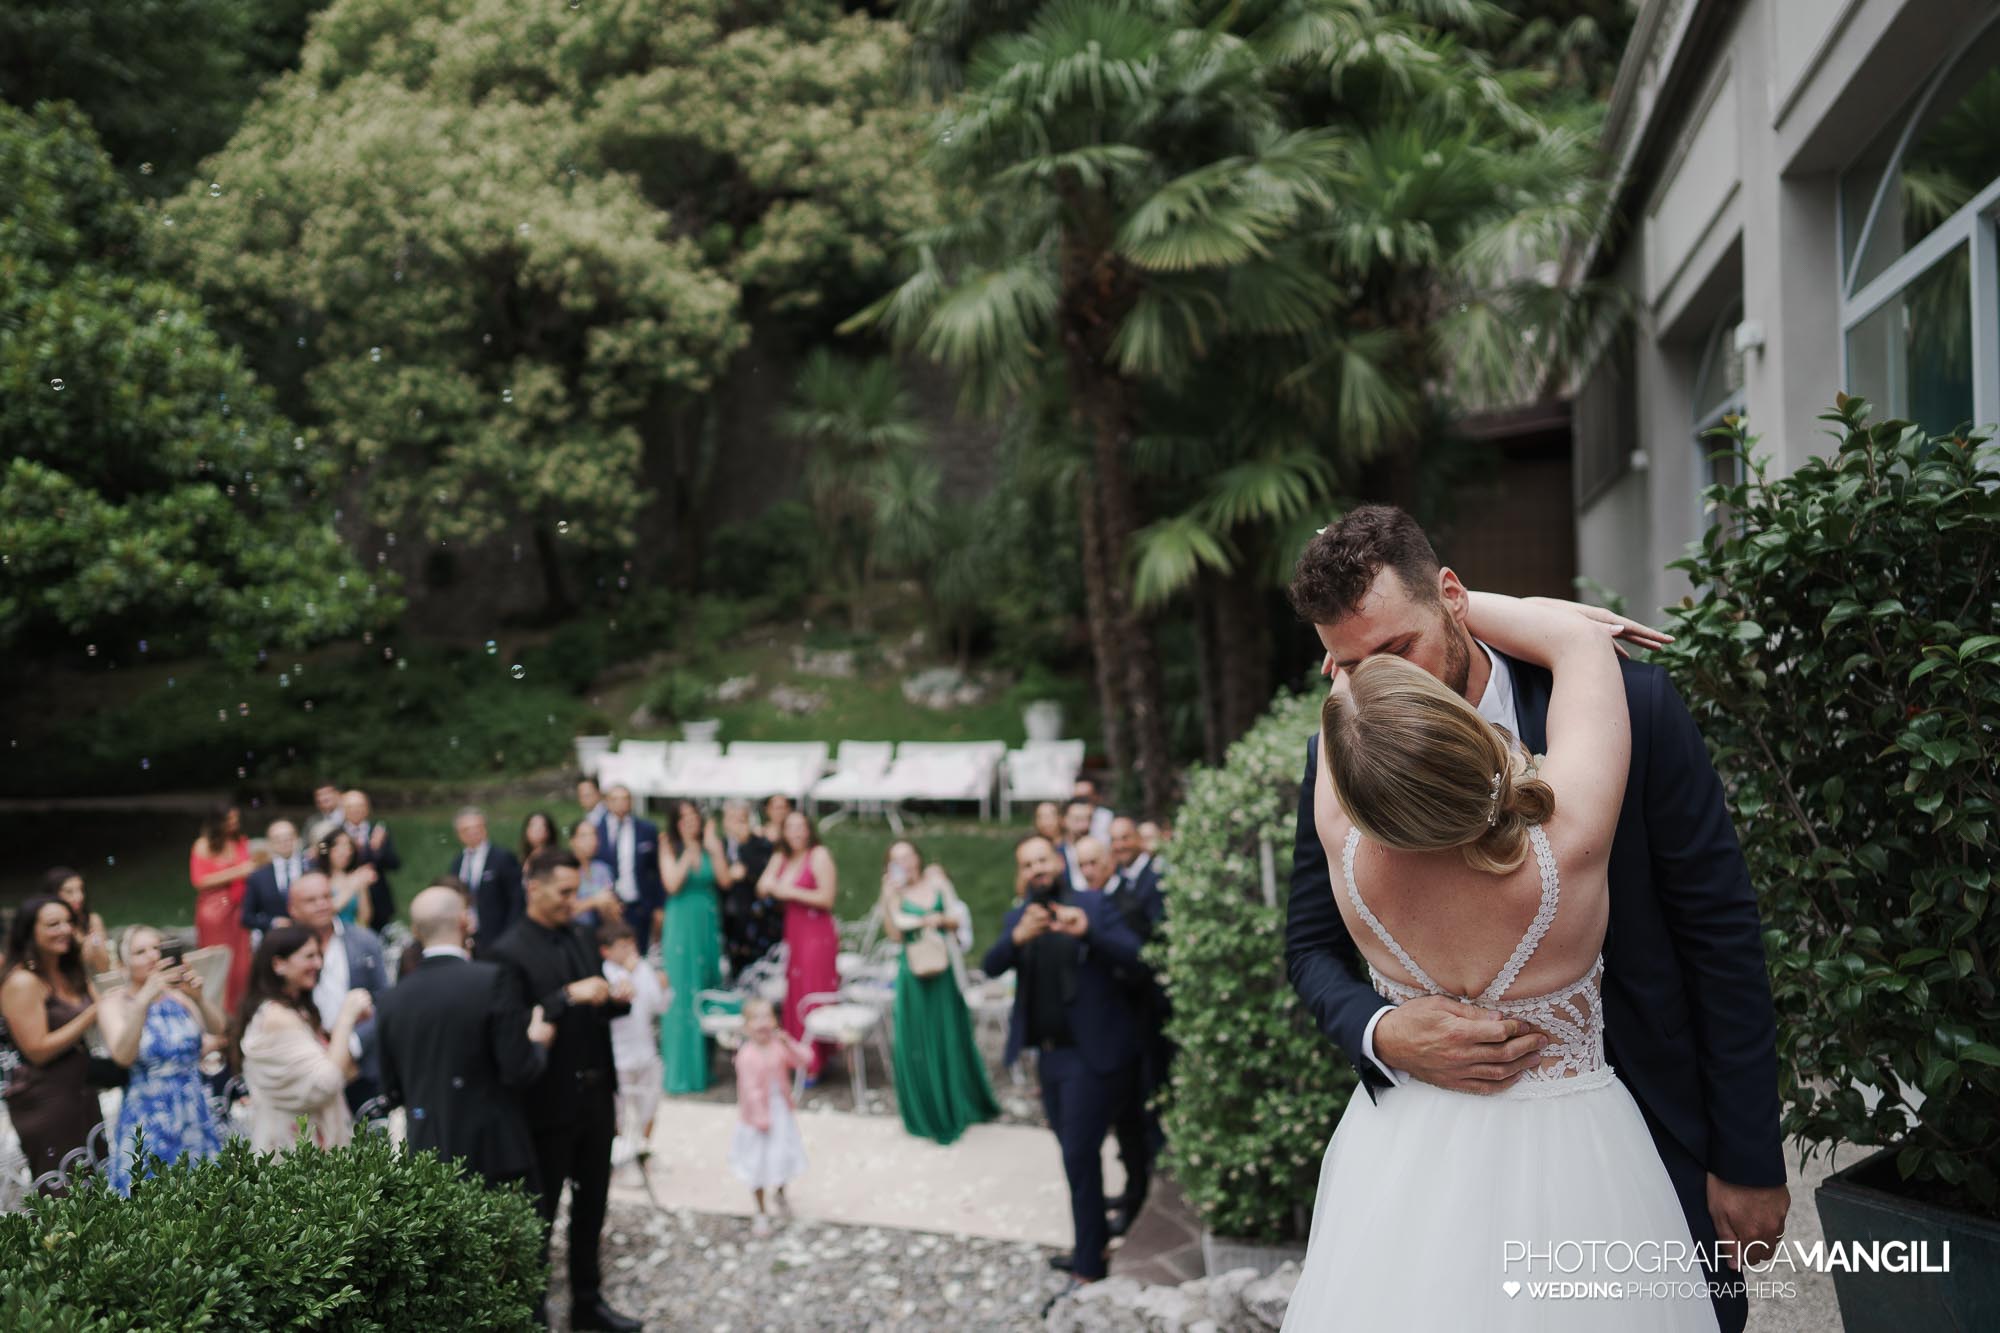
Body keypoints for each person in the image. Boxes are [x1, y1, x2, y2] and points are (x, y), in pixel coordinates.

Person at [1282, 506, 1785, 1333]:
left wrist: (1748, 1158)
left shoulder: (1641, 709)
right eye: (1352, 663)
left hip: (1648, 1139)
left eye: (1397, 650)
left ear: (1450, 598)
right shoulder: (1343, 757)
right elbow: (1307, 947)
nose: (1383, 686)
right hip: (1426, 1172)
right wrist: (1381, 1031)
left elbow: (1720, 931)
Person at [982, 836, 1146, 1291]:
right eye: (1027, 863)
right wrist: (1016, 938)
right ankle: (1089, 1248)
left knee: (1078, 1155)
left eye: (1042, 860)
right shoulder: (1020, 918)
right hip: (1047, 1059)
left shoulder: (1092, 905)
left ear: (1058, 862)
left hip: (1089, 1057)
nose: (1037, 869)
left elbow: (1139, 959)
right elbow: (990, 965)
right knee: (1075, 1158)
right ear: (1022, 873)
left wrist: (1087, 933)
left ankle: (1089, 1265)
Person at [488, 850, 643, 1333]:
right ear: (533, 887)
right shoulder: (507, 952)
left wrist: (612, 1000)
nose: (572, 902)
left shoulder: (578, 934)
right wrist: (565, 997)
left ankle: (587, 1302)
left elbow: (591, 1011)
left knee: (593, 1204)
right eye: (564, 893)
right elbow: (513, 1029)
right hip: (548, 1103)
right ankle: (532, 1312)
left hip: (595, 1095)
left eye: (576, 891)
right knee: (542, 1213)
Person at [375, 886, 553, 1190]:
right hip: (494, 1152)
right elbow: (518, 1069)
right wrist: (538, 1042)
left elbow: (392, 1089)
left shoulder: (392, 999)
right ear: (465, 922)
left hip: (428, 1151)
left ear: (416, 931)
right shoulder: (493, 980)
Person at [1072, 834, 1166, 1235]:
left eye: (1095, 862)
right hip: (1108, 1028)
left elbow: (1144, 963)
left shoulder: (1126, 903)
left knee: (1134, 1120)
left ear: (1110, 861)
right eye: (1083, 865)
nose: (1089, 871)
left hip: (1135, 1028)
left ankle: (1137, 1197)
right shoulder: (1089, 901)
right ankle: (1130, 1190)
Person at [879, 841, 997, 1145]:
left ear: (917, 858)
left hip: (942, 968)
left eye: (907, 855)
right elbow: (894, 934)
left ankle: (959, 1102)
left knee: (949, 1036)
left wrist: (938, 920)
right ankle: (927, 1110)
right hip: (914, 972)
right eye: (896, 859)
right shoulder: (894, 894)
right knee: (917, 1039)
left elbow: (957, 918)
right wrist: (887, 898)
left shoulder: (938, 884)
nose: (904, 862)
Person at [100, 926, 225, 1193]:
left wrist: (199, 998)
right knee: (151, 1197)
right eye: (140, 952)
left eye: (157, 948)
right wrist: (145, 998)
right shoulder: (115, 1003)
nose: (152, 956)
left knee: (205, 1197)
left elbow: (217, 1029)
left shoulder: (179, 998)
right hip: (149, 1114)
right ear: (123, 964)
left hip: (194, 1107)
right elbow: (122, 1056)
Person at [232, 924, 371, 1154]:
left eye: (319, 955)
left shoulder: (297, 1010)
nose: (318, 964)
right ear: (278, 964)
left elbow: (345, 1071)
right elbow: (325, 1082)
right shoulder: (276, 1018)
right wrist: (346, 1017)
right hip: (293, 1152)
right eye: (309, 956)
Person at [0, 896, 103, 1191]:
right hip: (45, 1100)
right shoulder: (22, 982)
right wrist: (90, 1014)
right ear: (30, 930)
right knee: (64, 1196)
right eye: (53, 924)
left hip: (81, 1090)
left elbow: (106, 1006)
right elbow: (37, 1049)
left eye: (69, 922)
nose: (65, 930)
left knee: (96, 1190)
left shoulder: (68, 970)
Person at [287, 872, 390, 1114]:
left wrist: (352, 1045)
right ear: (293, 909)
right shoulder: (283, 948)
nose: (322, 904)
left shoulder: (364, 941)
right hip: (307, 1063)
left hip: (360, 1065)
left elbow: (384, 1001)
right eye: (311, 900)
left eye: (326, 896)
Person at [757, 811, 839, 1081]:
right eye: (790, 827)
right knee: (795, 988)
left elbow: (826, 898)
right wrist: (773, 875)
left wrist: (788, 891)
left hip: (816, 932)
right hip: (794, 930)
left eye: (800, 827)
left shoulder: (818, 855)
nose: (796, 833)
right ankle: (796, 1055)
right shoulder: (782, 857)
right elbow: (763, 886)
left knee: (812, 990)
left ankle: (815, 1060)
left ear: (809, 830)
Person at [729, 997, 812, 1238]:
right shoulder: (746, 1055)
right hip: (757, 1119)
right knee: (758, 1164)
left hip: (780, 1111)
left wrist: (790, 1044)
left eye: (767, 1016)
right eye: (756, 1018)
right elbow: (750, 1090)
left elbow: (804, 1060)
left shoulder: (778, 1046)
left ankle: (781, 1192)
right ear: (746, 1026)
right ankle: (761, 1211)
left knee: (783, 1156)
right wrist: (760, 1119)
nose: (763, 1022)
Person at [658, 799, 724, 1094]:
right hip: (682, 926)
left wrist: (713, 847)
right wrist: (688, 851)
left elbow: (723, 879)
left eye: (693, 816)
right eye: (682, 817)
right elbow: (671, 883)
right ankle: (683, 1071)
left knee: (707, 986)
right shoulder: (670, 845)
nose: (689, 821)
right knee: (683, 991)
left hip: (707, 925)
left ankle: (705, 1066)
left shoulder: (711, 844)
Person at [598, 918, 669, 1161]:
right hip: (619, 1053)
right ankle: (615, 1154)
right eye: (623, 946)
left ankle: (643, 1151)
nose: (630, 951)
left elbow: (658, 1005)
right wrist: (627, 973)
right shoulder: (602, 972)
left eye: (631, 945)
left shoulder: (644, 968)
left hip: (645, 1049)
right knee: (616, 1109)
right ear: (606, 950)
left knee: (649, 1103)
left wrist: (664, 987)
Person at [190, 804, 254, 1010]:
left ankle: (241, 1009)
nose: (234, 823)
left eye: (236, 818)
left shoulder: (241, 841)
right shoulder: (203, 845)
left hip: (239, 908)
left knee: (242, 962)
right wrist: (239, 871)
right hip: (214, 913)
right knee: (219, 961)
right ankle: (217, 1011)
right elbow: (199, 881)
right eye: (229, 819)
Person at [595, 785, 665, 952]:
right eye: (615, 799)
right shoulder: (596, 830)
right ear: (607, 802)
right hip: (608, 908)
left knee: (639, 952)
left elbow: (656, 869)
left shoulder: (646, 829)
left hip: (639, 905)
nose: (620, 803)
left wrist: (659, 906)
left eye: (625, 798)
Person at [450, 806, 525, 957]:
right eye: (466, 829)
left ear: (485, 828)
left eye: (477, 827)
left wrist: (509, 936)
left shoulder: (502, 858)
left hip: (499, 935)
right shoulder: (458, 862)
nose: (473, 832)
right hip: (469, 939)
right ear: (459, 834)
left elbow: (517, 899)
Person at [717, 799, 780, 977]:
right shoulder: (719, 846)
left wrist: (745, 847)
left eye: (741, 819)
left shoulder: (760, 844)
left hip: (756, 920)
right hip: (728, 919)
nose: (736, 824)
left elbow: (764, 871)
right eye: (731, 818)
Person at [340, 788, 402, 927]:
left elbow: (395, 864)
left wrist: (378, 850)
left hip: (378, 899)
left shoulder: (378, 830)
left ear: (367, 808)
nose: (355, 810)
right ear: (343, 810)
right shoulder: (337, 833)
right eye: (351, 807)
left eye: (359, 806)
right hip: (348, 898)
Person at [241, 821, 310, 938]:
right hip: (274, 940)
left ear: (297, 839)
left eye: (288, 837)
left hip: (308, 934)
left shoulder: (311, 868)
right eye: (277, 839)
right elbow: (247, 917)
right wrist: (272, 922)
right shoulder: (258, 876)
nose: (284, 842)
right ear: (270, 843)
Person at [45, 868, 111, 976]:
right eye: (69, 892)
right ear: (54, 894)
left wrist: (94, 943)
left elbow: (105, 967)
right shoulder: (50, 929)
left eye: (80, 890)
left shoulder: (92, 920)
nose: (79, 897)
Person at [316, 828, 377, 928]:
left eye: (349, 846)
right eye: (339, 845)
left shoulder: (356, 877)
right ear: (328, 849)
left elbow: (365, 917)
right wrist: (352, 886)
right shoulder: (319, 880)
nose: (346, 851)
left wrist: (361, 887)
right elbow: (327, 911)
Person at [569, 817, 621, 930]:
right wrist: (594, 901)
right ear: (572, 841)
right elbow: (565, 910)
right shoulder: (566, 870)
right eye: (584, 836)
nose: (591, 840)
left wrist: (611, 908)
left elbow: (611, 908)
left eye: (594, 835)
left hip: (599, 933)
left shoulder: (603, 869)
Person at [1055, 799, 1095, 891]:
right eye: (1078, 820)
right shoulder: (1055, 854)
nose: (1085, 825)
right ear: (1063, 821)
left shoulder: (1103, 853)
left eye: (1089, 819)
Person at [303, 782, 346, 849]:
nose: (322, 798)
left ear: (338, 795)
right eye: (319, 795)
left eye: (327, 793)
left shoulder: (349, 815)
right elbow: (304, 845)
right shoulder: (312, 821)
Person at [1072, 777, 1115, 843]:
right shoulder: (1066, 816)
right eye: (1077, 798)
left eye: (1086, 797)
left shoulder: (1107, 818)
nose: (1082, 801)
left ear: (1096, 796)